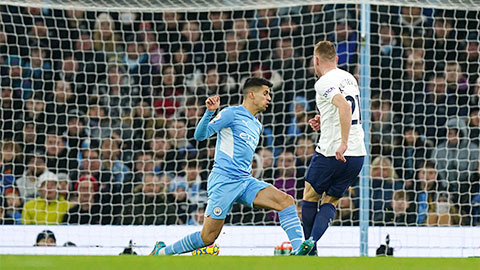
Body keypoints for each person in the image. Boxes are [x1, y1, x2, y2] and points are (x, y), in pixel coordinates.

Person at [150, 77, 314, 256]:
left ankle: (299, 251)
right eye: (265, 93)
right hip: (224, 181)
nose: (269, 98)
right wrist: (209, 113)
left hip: (245, 181)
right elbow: (199, 136)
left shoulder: (256, 124)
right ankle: (162, 252)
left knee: (286, 201)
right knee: (208, 237)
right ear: (251, 95)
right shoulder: (231, 114)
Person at [301, 41, 366, 255]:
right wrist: (324, 119)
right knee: (332, 200)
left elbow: (344, 106)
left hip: (333, 151)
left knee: (310, 195)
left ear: (316, 60)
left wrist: (343, 142)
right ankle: (312, 241)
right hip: (357, 155)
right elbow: (347, 109)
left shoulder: (323, 81)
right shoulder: (349, 78)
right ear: (336, 59)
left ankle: (310, 249)